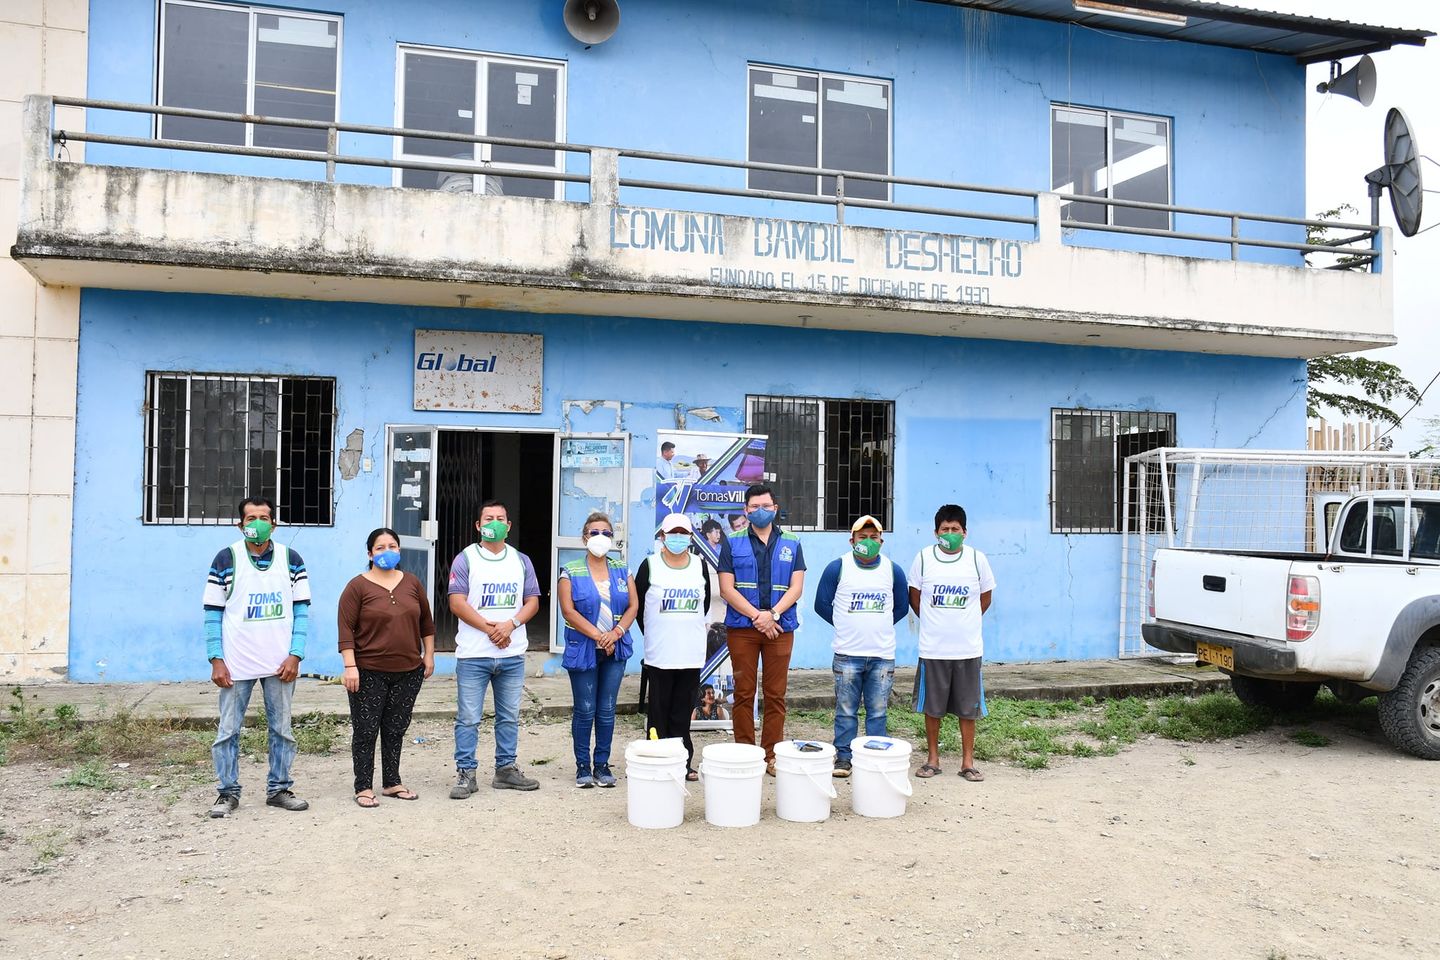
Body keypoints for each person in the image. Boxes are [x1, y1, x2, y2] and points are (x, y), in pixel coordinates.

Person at [203, 496, 312, 818]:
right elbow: (212, 613)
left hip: (280, 664)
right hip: (236, 664)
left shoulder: (291, 559)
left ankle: (279, 789)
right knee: (228, 731)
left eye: (264, 517)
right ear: (240, 525)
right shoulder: (226, 558)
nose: (258, 523)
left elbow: (301, 611)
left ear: (274, 525)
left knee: (282, 730)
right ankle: (227, 793)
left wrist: (295, 654)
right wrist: (216, 658)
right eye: (251, 518)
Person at [447, 499, 542, 795]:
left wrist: (510, 625)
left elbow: (533, 601)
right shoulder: (465, 559)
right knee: (468, 718)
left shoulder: (521, 560)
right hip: (474, 654)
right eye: (488, 518)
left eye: (500, 518)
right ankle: (466, 773)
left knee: (509, 716)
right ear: (478, 525)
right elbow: (457, 602)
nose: (495, 523)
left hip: (511, 654)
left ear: (509, 526)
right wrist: (491, 629)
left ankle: (506, 769)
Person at [337, 528, 436, 808]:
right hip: (368, 671)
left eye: (392, 546)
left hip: (409, 671)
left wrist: (428, 655)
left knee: (395, 728)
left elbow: (426, 623)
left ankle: (392, 782)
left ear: (399, 551)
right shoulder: (357, 586)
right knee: (366, 730)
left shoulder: (412, 583)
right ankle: (363, 786)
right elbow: (345, 629)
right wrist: (350, 666)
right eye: (380, 548)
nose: (387, 552)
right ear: (370, 554)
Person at [718, 483, 806, 776]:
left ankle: (771, 755)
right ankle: (746, 754)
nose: (760, 511)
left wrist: (773, 615)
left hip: (780, 628)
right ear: (745, 510)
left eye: (766, 506)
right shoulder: (732, 542)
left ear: (775, 509)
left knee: (775, 694)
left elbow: (796, 587)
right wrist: (759, 616)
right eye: (754, 506)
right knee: (744, 693)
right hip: (743, 628)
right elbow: (726, 589)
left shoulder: (792, 542)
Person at [813, 515, 908, 778]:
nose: (868, 541)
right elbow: (821, 605)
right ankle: (844, 758)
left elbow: (901, 607)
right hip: (847, 655)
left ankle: (873, 759)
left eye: (873, 537)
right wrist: (845, 625)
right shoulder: (838, 567)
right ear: (852, 540)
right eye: (862, 537)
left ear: (882, 541)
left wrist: (880, 625)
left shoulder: (893, 570)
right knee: (845, 712)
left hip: (881, 656)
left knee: (878, 712)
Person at [908, 504, 997, 781]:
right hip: (933, 649)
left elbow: (985, 598)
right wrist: (935, 622)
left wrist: (965, 621)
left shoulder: (977, 559)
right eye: (945, 529)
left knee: (968, 708)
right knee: (932, 707)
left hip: (968, 649)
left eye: (955, 529)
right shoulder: (924, 558)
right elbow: (915, 597)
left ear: (965, 532)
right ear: (936, 532)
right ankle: (932, 760)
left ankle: (967, 762)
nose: (950, 533)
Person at [557, 511, 638, 789]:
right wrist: (599, 636)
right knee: (585, 709)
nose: (600, 537)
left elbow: (633, 606)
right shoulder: (570, 571)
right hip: (584, 649)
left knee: (606, 709)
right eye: (594, 532)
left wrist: (616, 633)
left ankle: (602, 765)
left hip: (615, 649)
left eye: (606, 533)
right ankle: (582, 766)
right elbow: (568, 611)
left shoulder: (623, 570)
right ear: (584, 538)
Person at [635, 513, 710, 780]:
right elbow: (638, 607)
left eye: (683, 533)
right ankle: (656, 760)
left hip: (690, 653)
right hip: (660, 654)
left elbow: (704, 605)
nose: (678, 538)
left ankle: (682, 762)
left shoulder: (699, 566)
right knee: (659, 710)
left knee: (682, 711)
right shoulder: (650, 565)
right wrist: (655, 634)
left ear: (690, 537)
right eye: (673, 533)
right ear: (662, 536)